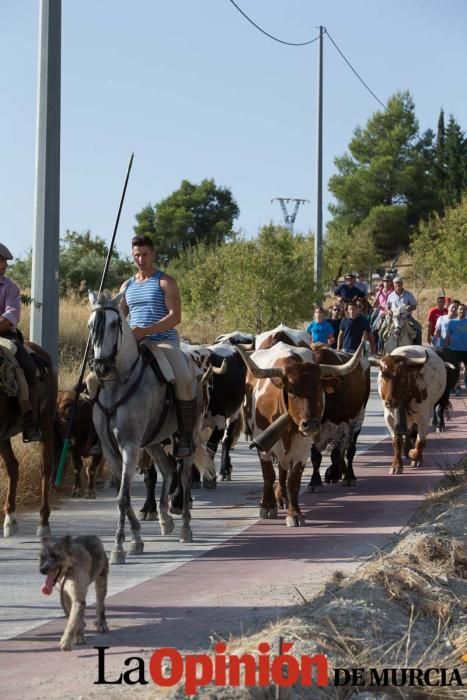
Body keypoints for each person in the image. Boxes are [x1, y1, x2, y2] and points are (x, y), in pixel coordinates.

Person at [119, 234, 198, 458]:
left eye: (145, 254)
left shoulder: (165, 281)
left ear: (153, 254)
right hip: (134, 345)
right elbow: (120, 318)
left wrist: (146, 330)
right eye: (136, 255)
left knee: (183, 376)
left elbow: (175, 317)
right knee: (98, 377)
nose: (141, 259)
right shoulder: (127, 286)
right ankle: (99, 432)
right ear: (132, 256)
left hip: (163, 342)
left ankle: (185, 434)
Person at [0, 243, 41, 441]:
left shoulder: (11, 287)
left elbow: (10, 316)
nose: (4, 265)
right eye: (1, 261)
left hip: (5, 335)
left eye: (4, 262)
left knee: (28, 366)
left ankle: (28, 416)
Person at [386, 276, 422, 345]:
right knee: (381, 331)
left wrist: (409, 308)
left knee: (418, 329)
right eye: (396, 283)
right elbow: (387, 306)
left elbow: (414, 306)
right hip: (393, 317)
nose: (397, 285)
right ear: (393, 284)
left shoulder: (408, 294)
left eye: (399, 283)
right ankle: (381, 350)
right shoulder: (390, 295)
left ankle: (418, 348)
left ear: (402, 284)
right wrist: (388, 311)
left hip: (406, 317)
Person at [444, 303, 467, 395]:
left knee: (466, 369)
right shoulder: (452, 322)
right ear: (457, 310)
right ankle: (457, 387)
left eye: (464, 309)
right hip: (455, 349)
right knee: (457, 369)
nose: (462, 311)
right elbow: (447, 337)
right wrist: (445, 349)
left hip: (466, 349)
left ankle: (465, 383)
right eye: (460, 309)